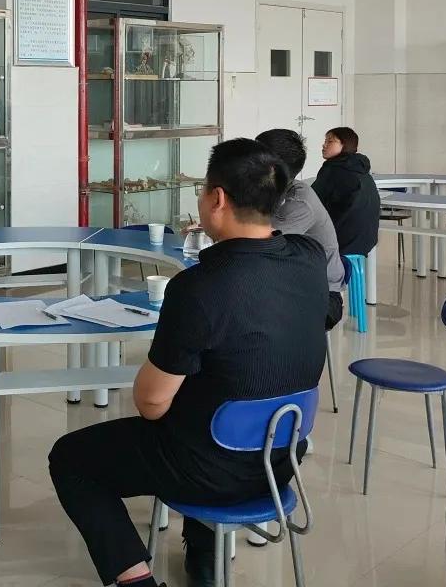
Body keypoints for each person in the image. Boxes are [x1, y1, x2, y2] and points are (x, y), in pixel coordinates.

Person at [48, 138, 329, 587]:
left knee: (72, 458)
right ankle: (202, 551)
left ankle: (136, 580)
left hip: (210, 468)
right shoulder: (309, 260)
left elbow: (150, 404)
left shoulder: (198, 288)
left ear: (217, 199)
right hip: (282, 458)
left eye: (201, 190)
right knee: (209, 396)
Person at [256, 129, 345, 329]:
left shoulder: (299, 202)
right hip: (292, 278)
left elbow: (259, 243)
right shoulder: (275, 190)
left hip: (322, 295)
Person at [312, 127, 381, 259]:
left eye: (330, 141)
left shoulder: (332, 169)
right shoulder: (360, 167)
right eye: (325, 141)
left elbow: (312, 201)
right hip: (366, 239)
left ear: (345, 145)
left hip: (342, 242)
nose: (324, 145)